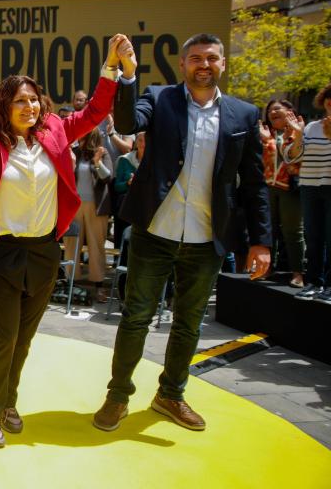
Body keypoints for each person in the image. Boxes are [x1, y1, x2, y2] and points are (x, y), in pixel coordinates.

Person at [0, 35, 130, 447]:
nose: (31, 107)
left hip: (44, 250)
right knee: (2, 337)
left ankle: (9, 401)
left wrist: (110, 65)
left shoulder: (57, 130)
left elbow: (96, 110)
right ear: (4, 106)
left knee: (23, 338)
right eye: (20, 101)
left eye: (34, 99)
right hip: (2, 251)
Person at [94, 33, 271, 433]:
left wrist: (261, 241)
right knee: (136, 318)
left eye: (211, 58)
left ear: (223, 63)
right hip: (155, 231)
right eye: (195, 58)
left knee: (188, 323)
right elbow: (125, 122)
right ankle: (118, 395)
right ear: (183, 64)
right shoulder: (160, 99)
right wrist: (128, 75)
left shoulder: (244, 115)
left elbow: (255, 184)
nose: (203, 65)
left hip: (207, 238)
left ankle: (171, 394)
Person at [283, 82, 331, 302]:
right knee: (313, 237)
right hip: (310, 186)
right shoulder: (312, 127)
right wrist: (299, 135)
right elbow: (291, 157)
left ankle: (329, 285)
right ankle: (313, 281)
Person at [260, 99, 305, 288]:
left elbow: (292, 156)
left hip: (291, 188)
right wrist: (264, 140)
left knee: (293, 231)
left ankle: (298, 273)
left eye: (277, 109)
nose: (273, 112)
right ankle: (267, 269)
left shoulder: (299, 130)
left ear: (289, 111)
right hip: (268, 187)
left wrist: (271, 140)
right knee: (269, 231)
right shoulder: (264, 132)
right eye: (270, 110)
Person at [65, 128, 113, 303]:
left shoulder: (103, 152)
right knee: (71, 246)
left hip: (96, 207)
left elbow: (108, 178)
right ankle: (71, 284)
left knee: (96, 247)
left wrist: (97, 162)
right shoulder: (73, 152)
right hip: (74, 206)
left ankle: (99, 287)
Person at [113, 132, 146, 245]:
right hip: (126, 207)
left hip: (145, 208)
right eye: (140, 140)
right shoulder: (124, 160)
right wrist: (128, 183)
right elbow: (117, 187)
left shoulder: (154, 162)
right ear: (135, 142)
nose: (143, 143)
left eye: (145, 140)